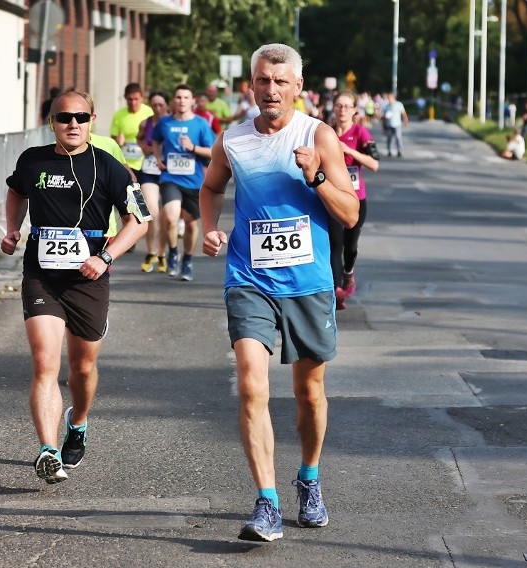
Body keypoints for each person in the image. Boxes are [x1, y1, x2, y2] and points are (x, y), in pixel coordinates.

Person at [200, 43, 359, 542]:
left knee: (309, 393)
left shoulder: (319, 135)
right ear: (251, 84)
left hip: (308, 283)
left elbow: (349, 213)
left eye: (280, 82)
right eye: (263, 81)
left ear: (298, 89)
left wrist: (314, 175)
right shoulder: (234, 140)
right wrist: (209, 227)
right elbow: (211, 187)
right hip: (249, 278)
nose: (271, 90)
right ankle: (266, 502)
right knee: (251, 384)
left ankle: (308, 478)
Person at [0, 90, 148, 484]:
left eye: (81, 118)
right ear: (52, 121)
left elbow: (140, 220)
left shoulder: (110, 167)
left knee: (82, 368)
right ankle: (48, 450)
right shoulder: (34, 160)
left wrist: (106, 256)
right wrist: (13, 228)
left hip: (89, 278)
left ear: (93, 120)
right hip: (42, 274)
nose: (73, 125)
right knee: (44, 362)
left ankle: (78, 422)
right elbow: (16, 189)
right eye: (64, 117)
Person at [152, 84, 216, 281]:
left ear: (192, 101)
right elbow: (155, 141)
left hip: (194, 181)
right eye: (178, 97)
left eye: (186, 97)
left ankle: (187, 259)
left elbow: (213, 151)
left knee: (190, 224)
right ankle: (172, 252)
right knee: (171, 218)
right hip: (170, 178)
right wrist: (158, 157)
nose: (181, 101)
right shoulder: (164, 123)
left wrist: (193, 147)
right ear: (174, 100)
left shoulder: (201, 124)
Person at [328, 90, 379, 310]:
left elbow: (374, 164)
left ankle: (348, 272)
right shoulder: (325, 132)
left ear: (355, 110)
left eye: (347, 106)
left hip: (356, 199)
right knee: (334, 245)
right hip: (331, 197)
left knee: (350, 246)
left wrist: (349, 150)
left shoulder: (360, 132)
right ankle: (336, 289)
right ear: (333, 108)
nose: (342, 110)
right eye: (339, 105)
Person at [109, 83, 156, 269]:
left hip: (144, 164)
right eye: (129, 99)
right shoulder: (119, 115)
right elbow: (113, 139)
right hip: (125, 164)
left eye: (136, 99)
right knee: (124, 202)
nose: (133, 102)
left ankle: (138, 233)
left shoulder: (148, 113)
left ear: (142, 98)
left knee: (143, 201)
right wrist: (118, 141)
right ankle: (130, 233)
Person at [135, 90, 170, 272]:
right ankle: (151, 251)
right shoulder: (146, 123)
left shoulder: (172, 123)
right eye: (154, 105)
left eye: (160, 105)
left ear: (167, 106)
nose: (157, 108)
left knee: (167, 216)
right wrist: (144, 148)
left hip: (170, 172)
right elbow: (139, 138)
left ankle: (163, 254)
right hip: (149, 170)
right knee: (152, 211)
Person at [381, 92, 408, 157]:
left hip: (397, 124)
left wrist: (406, 121)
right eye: (388, 98)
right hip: (389, 125)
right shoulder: (387, 106)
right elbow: (383, 117)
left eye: (390, 98)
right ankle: (389, 151)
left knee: (398, 137)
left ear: (393, 98)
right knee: (389, 138)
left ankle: (399, 151)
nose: (389, 99)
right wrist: (383, 122)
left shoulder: (399, 104)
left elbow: (404, 114)